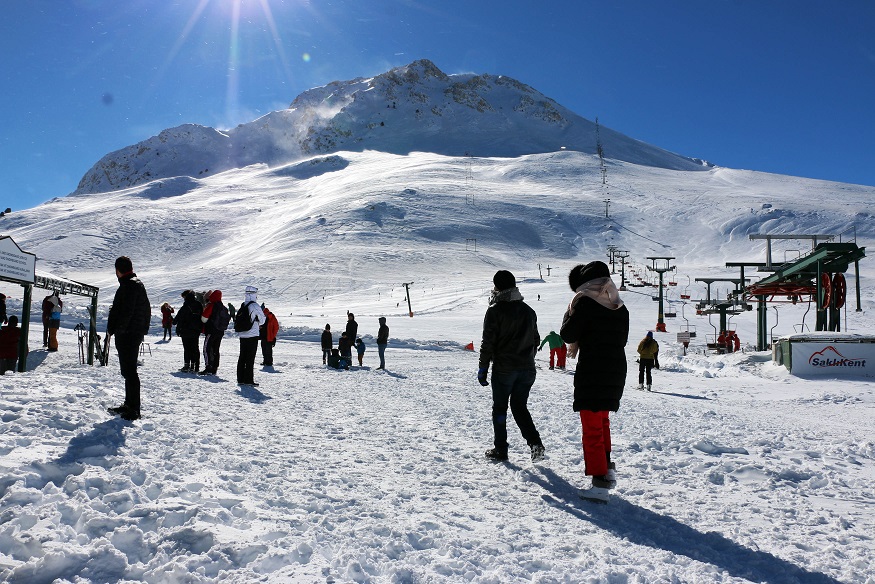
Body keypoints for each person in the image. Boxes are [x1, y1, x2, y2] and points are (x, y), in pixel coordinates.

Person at [560, 261, 629, 503]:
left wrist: (570, 311)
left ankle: (599, 481)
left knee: (592, 427)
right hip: (615, 369)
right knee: (602, 421)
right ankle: (607, 471)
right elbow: (622, 339)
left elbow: (568, 335)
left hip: (593, 369)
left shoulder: (584, 303)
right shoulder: (620, 306)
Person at [477, 270, 545, 463]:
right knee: (519, 406)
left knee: (500, 409)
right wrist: (526, 358)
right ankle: (535, 443)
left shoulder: (495, 311)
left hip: (505, 370)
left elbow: (487, 343)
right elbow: (536, 339)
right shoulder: (528, 310)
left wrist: (483, 368)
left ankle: (501, 449)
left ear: (497, 287)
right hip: (527, 370)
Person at [106, 256, 151, 421]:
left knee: (130, 371)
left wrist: (119, 329)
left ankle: (134, 409)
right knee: (127, 370)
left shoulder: (131, 285)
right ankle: (129, 404)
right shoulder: (132, 284)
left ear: (118, 270)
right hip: (131, 332)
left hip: (129, 333)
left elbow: (127, 311)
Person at [236, 286, 265, 386]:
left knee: (242, 357)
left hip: (242, 334)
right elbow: (262, 320)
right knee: (250, 358)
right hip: (252, 335)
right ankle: (248, 380)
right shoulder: (255, 306)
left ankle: (240, 379)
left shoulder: (243, 305)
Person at [200, 290, 228, 375]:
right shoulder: (223, 307)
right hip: (220, 331)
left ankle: (208, 367)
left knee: (207, 348)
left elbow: (204, 319)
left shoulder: (211, 305)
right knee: (216, 349)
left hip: (211, 330)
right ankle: (214, 368)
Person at [174, 290, 203, 373]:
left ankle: (187, 365)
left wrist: (175, 324)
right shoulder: (198, 304)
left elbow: (180, 317)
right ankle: (195, 366)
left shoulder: (186, 305)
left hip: (185, 330)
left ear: (186, 296)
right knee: (195, 348)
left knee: (187, 348)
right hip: (196, 330)